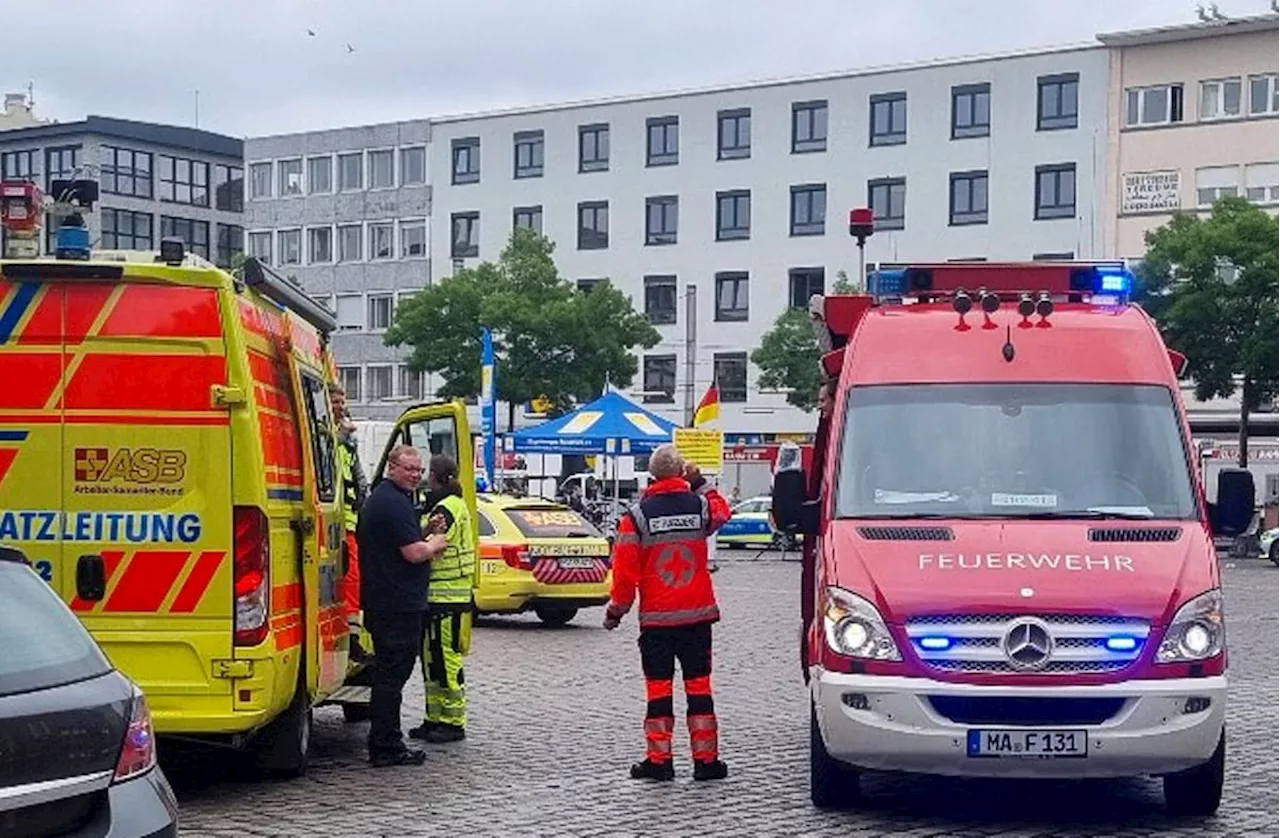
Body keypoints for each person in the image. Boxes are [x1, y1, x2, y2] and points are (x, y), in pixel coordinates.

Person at [603, 443, 732, 782]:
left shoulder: (636, 517)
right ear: (680, 474)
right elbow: (723, 510)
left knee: (659, 691)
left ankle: (659, 762)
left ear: (651, 476)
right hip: (697, 619)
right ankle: (707, 761)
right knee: (699, 689)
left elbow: (625, 572)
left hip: (658, 622)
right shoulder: (701, 506)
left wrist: (616, 611)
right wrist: (700, 480)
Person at [357, 444, 450, 767]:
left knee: (389, 676)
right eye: (409, 469)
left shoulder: (389, 500)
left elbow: (399, 541)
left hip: (388, 602)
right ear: (391, 468)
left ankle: (385, 741)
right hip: (396, 605)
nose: (415, 476)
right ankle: (386, 746)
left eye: (419, 470)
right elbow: (412, 553)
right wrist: (435, 543)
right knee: (391, 678)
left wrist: (423, 531)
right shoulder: (392, 503)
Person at [409, 454, 478, 744]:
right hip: (438, 596)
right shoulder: (444, 504)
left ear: (436, 476)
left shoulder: (448, 507)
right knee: (430, 660)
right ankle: (434, 717)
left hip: (448, 597)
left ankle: (452, 721)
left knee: (445, 660)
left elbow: (434, 543)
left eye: (428, 473)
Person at [331, 385, 370, 658]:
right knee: (343, 579)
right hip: (334, 521)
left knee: (352, 579)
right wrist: (343, 437)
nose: (340, 406)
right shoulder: (327, 434)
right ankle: (346, 636)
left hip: (349, 521)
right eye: (335, 401)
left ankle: (352, 636)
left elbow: (358, 478)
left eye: (343, 401)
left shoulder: (347, 442)